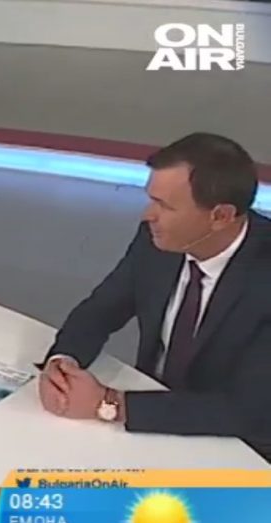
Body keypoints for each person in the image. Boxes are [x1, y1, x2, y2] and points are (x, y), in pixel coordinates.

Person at [39, 132, 270, 463]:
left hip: (239, 449)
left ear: (220, 216)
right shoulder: (157, 240)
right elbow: (102, 309)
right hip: (150, 420)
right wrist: (63, 362)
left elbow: (248, 409)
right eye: (151, 199)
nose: (148, 215)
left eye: (165, 206)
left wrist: (110, 403)